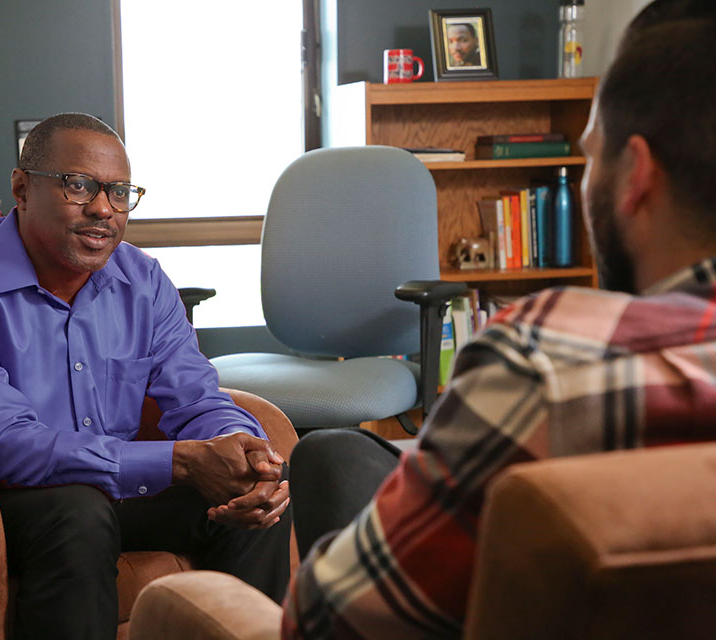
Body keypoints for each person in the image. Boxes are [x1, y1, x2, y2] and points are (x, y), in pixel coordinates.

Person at [282, 12, 716, 640]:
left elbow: (323, 621)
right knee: (337, 453)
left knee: (327, 470)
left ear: (637, 176)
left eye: (591, 154)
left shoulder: (545, 357)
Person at [0, 113, 292, 639]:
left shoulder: (142, 280)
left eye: (120, 191)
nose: (103, 208)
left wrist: (245, 451)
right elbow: (5, 443)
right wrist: (177, 462)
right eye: (78, 186)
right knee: (77, 513)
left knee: (251, 496)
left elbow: (196, 398)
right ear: (21, 188)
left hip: (104, 491)